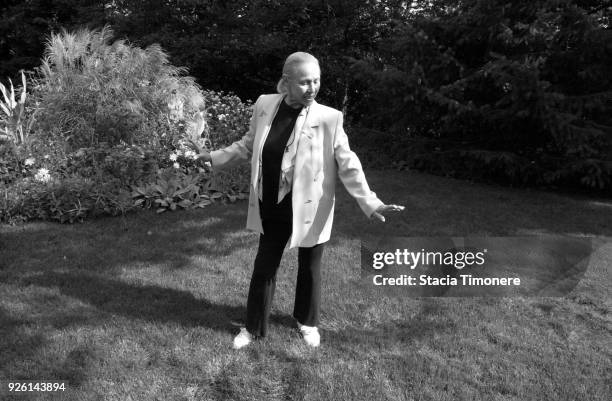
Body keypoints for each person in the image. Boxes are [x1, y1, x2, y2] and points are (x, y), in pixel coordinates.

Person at [192, 52, 404, 349]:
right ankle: (253, 327)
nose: (312, 87)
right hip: (272, 203)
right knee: (264, 266)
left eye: (316, 81)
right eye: (304, 82)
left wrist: (370, 201)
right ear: (286, 81)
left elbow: (348, 162)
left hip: (311, 207)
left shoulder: (329, 118)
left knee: (310, 267)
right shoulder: (265, 105)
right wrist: (214, 158)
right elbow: (247, 145)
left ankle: (307, 322)